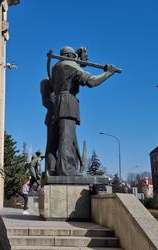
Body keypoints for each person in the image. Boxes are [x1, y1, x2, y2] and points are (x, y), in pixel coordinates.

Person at [50, 46, 117, 176]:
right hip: (68, 101)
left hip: (59, 102)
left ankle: (65, 167)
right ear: (70, 56)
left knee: (65, 137)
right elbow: (91, 81)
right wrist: (108, 73)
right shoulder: (69, 66)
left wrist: (80, 56)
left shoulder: (56, 67)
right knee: (67, 138)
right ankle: (66, 169)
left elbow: (74, 68)